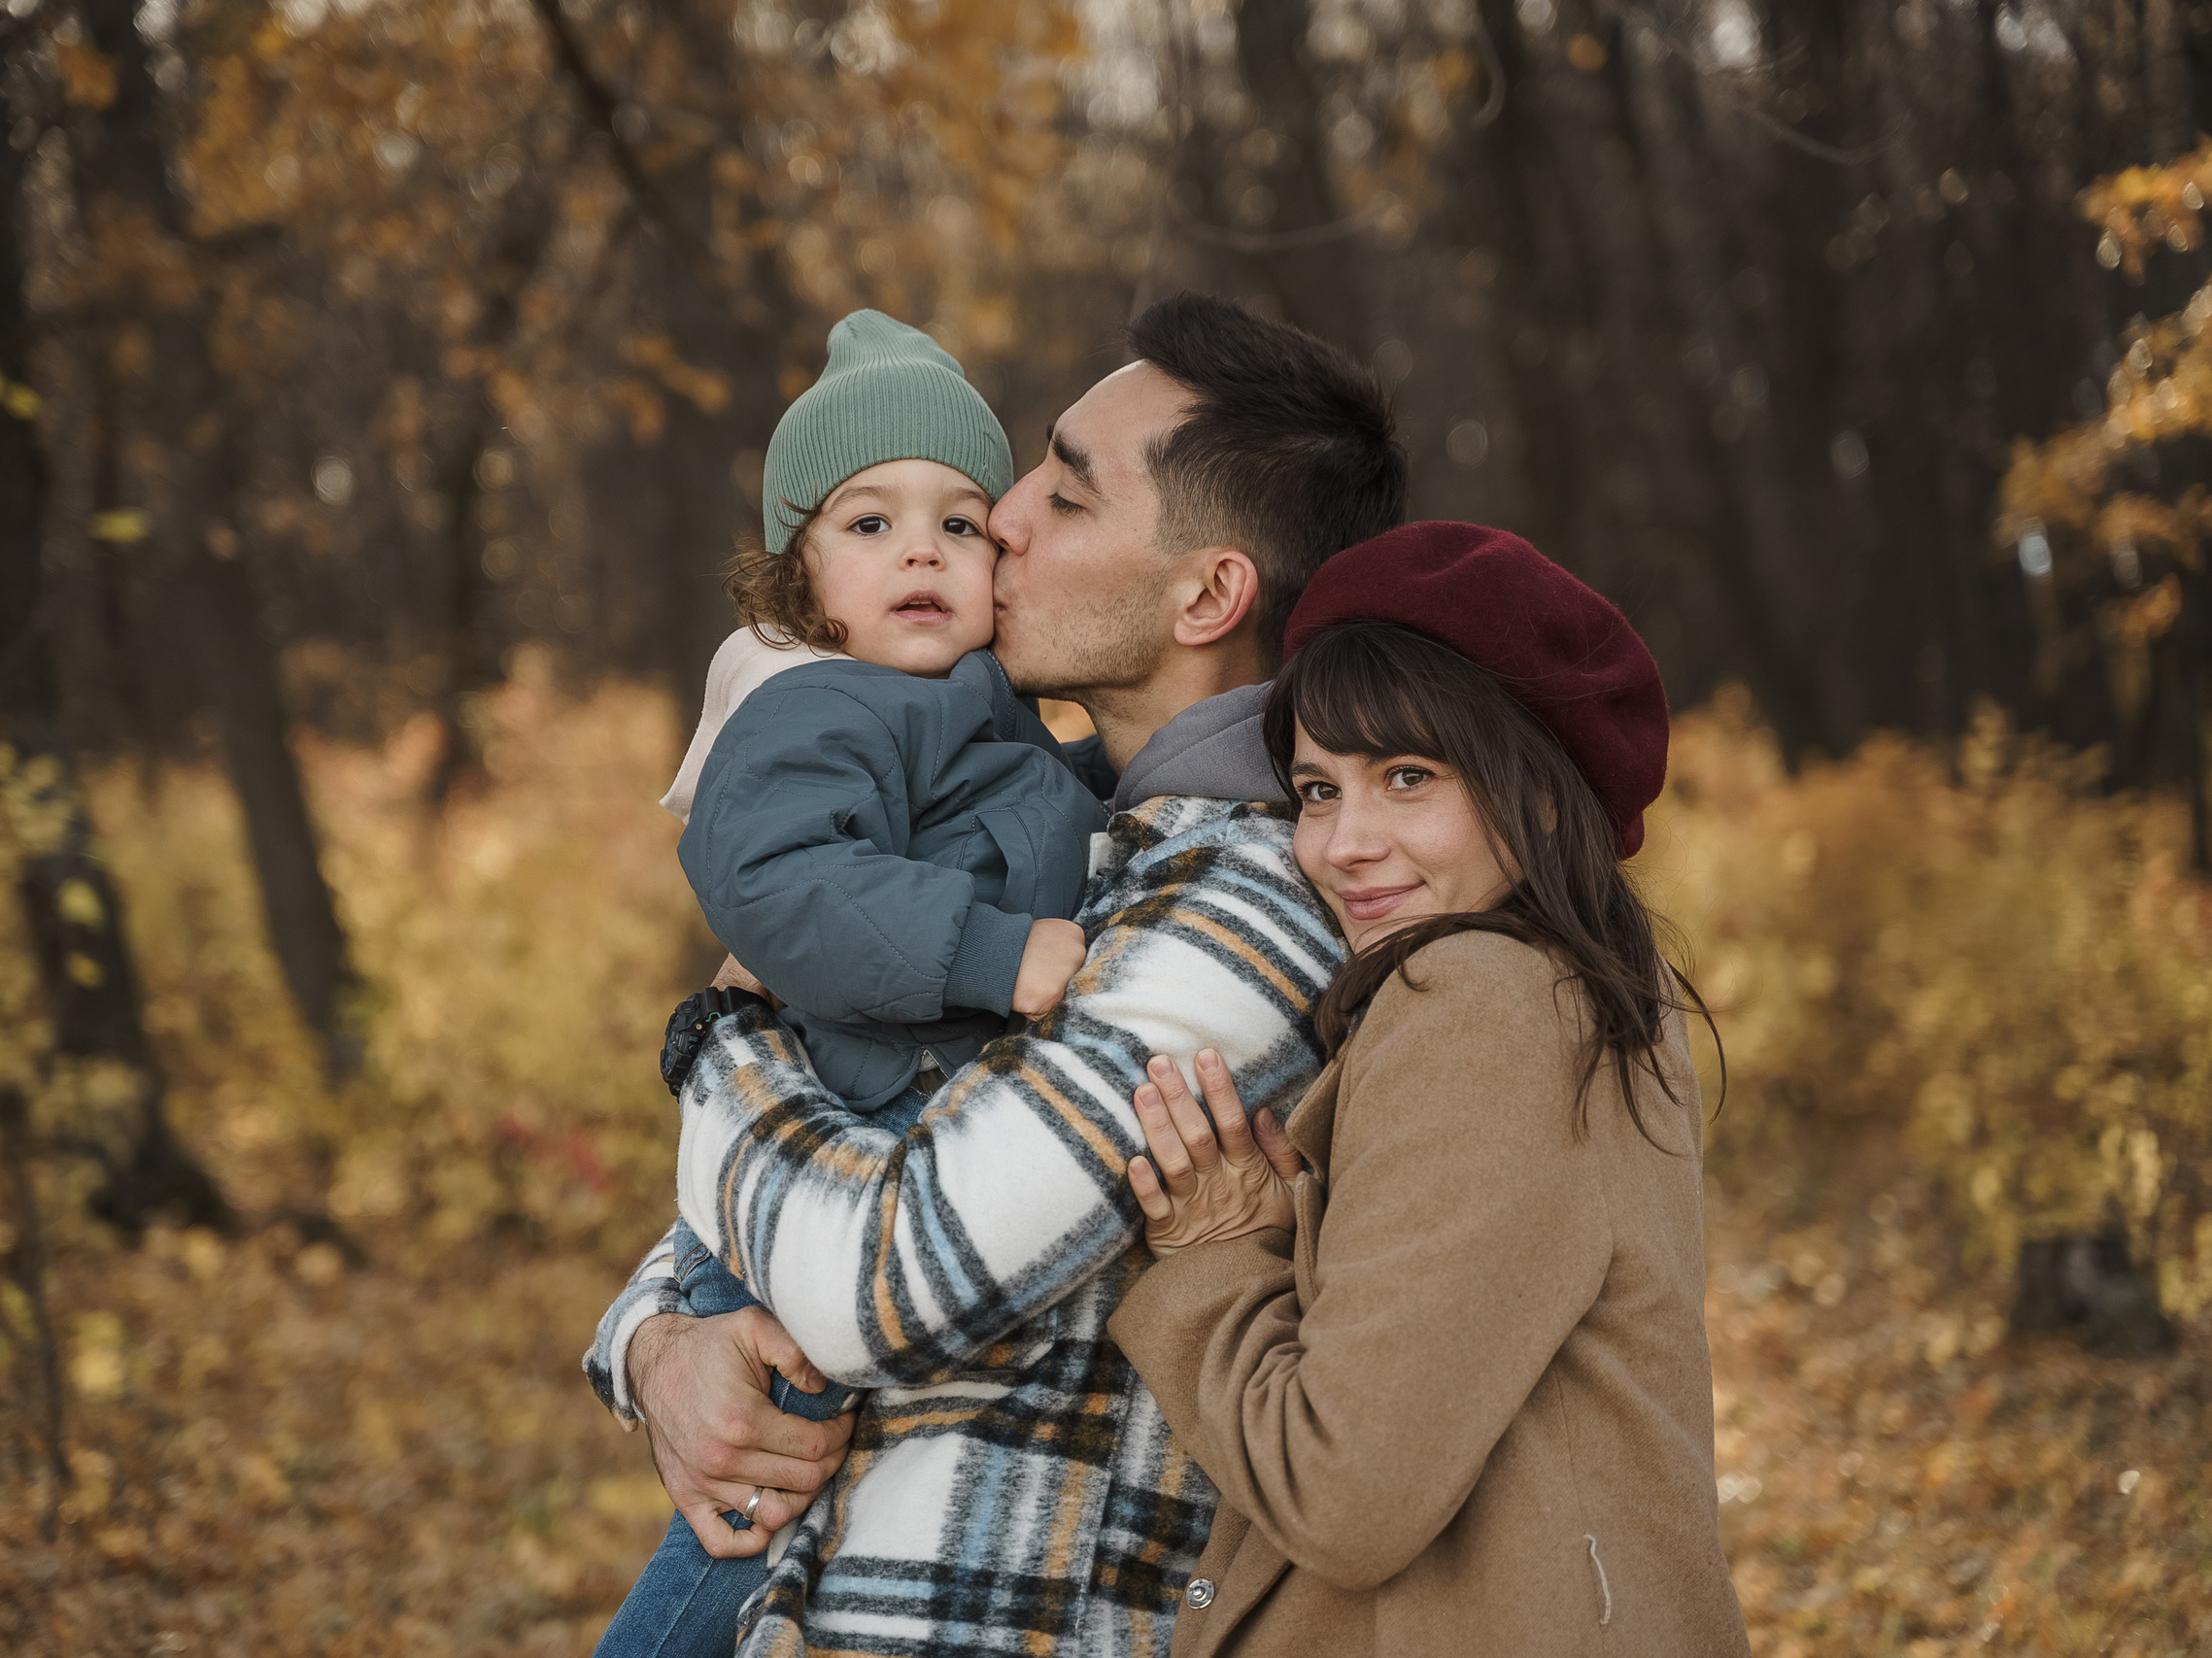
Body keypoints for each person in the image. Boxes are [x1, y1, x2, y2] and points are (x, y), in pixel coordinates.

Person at [582, 291, 1407, 1657]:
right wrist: (657, 1342)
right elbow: (816, 1167)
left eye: (1063, 496)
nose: (998, 519)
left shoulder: (1249, 899)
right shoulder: (1071, 824)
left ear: (1210, 591)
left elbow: (876, 1280)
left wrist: (726, 1026)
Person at [1106, 521, 1753, 1655]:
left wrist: (1210, 1264)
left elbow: (1345, 1493)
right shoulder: (1593, 989)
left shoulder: (1477, 1003)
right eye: (1315, 790)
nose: (1344, 843)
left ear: (1540, 791)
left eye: (1408, 778)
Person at [598, 310, 1108, 1658]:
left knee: (804, 1533)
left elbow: (1053, 812)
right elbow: (782, 884)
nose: (921, 550)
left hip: (883, 1159)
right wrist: (994, 951)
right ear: (801, 577)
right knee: (760, 1495)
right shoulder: (811, 703)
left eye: (956, 522)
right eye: (869, 524)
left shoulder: (987, 709)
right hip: (813, 1164)